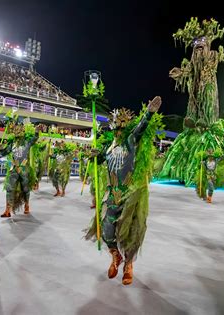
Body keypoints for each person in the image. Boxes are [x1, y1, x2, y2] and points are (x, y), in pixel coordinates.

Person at [85, 96, 162, 285]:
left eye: (121, 128)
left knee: (129, 232)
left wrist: (148, 114)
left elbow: (139, 129)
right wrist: (93, 156)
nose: (118, 132)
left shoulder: (130, 141)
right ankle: (115, 257)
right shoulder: (109, 148)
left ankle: (128, 265)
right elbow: (98, 160)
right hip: (111, 195)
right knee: (107, 231)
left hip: (129, 194)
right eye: (115, 128)